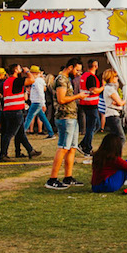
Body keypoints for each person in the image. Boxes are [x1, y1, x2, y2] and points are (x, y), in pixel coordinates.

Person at [47, 58, 88, 190]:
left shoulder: (66, 80)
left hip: (71, 116)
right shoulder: (61, 80)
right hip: (65, 117)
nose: (78, 73)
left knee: (72, 148)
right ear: (70, 67)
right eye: (77, 69)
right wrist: (78, 96)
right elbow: (61, 99)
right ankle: (52, 179)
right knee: (63, 147)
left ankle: (68, 176)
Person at [0, 63, 41, 162]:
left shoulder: (5, 82)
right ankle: (3, 155)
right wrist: (27, 71)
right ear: (15, 70)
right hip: (16, 110)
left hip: (7, 110)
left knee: (20, 133)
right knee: (9, 134)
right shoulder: (16, 81)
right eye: (19, 68)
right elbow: (32, 80)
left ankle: (30, 150)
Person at [77, 59, 102, 157]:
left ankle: (84, 143)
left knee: (94, 126)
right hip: (91, 104)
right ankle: (87, 147)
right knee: (92, 126)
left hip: (86, 103)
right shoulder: (91, 77)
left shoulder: (84, 76)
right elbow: (93, 90)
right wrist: (103, 88)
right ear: (95, 66)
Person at [24, 66, 54, 138]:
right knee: (43, 118)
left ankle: (22, 131)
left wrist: (43, 103)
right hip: (37, 101)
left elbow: (41, 93)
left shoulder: (37, 81)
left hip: (37, 102)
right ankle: (51, 132)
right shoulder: (37, 80)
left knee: (29, 117)